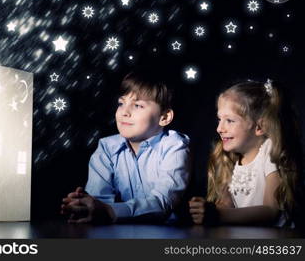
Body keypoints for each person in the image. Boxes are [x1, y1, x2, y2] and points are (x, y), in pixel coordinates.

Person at [61, 69, 191, 223]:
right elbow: (99, 202)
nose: (124, 112)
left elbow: (163, 202)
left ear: (164, 117)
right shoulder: (106, 148)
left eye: (137, 106)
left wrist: (109, 210)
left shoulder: (174, 146)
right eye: (121, 103)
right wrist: (83, 205)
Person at [189, 79, 304, 227]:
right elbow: (226, 206)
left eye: (229, 120)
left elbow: (271, 211)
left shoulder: (270, 152)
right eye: (219, 119)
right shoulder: (230, 159)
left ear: (260, 127)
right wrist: (205, 209)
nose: (219, 128)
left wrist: (219, 215)